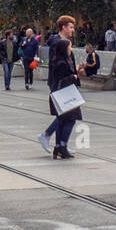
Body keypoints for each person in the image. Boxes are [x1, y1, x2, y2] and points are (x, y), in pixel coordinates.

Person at [38, 17, 84, 159]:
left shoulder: (64, 43)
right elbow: (57, 67)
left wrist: (75, 71)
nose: (72, 30)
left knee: (64, 116)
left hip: (65, 84)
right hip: (61, 85)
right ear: (63, 27)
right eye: (70, 27)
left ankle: (59, 147)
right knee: (68, 116)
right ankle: (50, 137)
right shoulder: (57, 44)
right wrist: (72, 76)